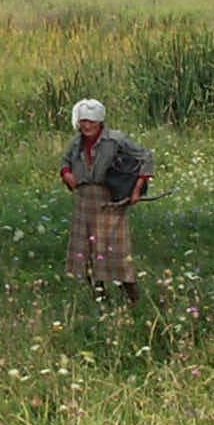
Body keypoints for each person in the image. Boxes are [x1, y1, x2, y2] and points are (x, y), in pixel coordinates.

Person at [59, 98, 152, 305]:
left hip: (109, 199)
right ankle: (99, 296)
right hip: (84, 200)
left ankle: (132, 297)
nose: (86, 125)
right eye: (83, 121)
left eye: (91, 121)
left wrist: (137, 189)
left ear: (100, 122)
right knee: (88, 250)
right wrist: (66, 174)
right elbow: (65, 161)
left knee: (116, 250)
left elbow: (146, 157)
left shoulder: (116, 140)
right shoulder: (76, 143)